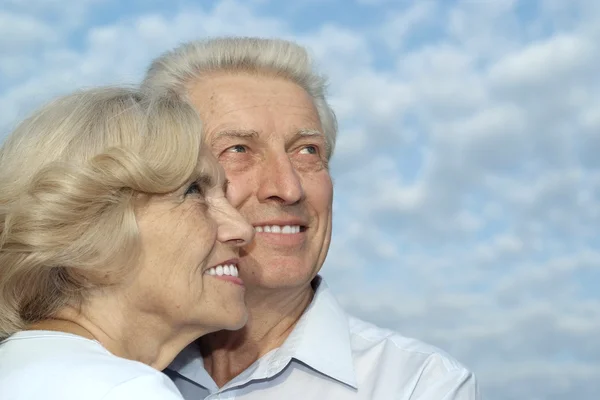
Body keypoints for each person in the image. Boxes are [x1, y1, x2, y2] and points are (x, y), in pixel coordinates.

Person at [142, 37, 481, 399]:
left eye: (307, 151)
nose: (288, 188)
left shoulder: (417, 385)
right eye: (238, 149)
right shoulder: (106, 367)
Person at [0, 86, 254, 399]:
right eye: (193, 191)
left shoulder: (21, 369)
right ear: (88, 229)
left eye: (225, 195)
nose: (243, 229)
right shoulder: (124, 389)